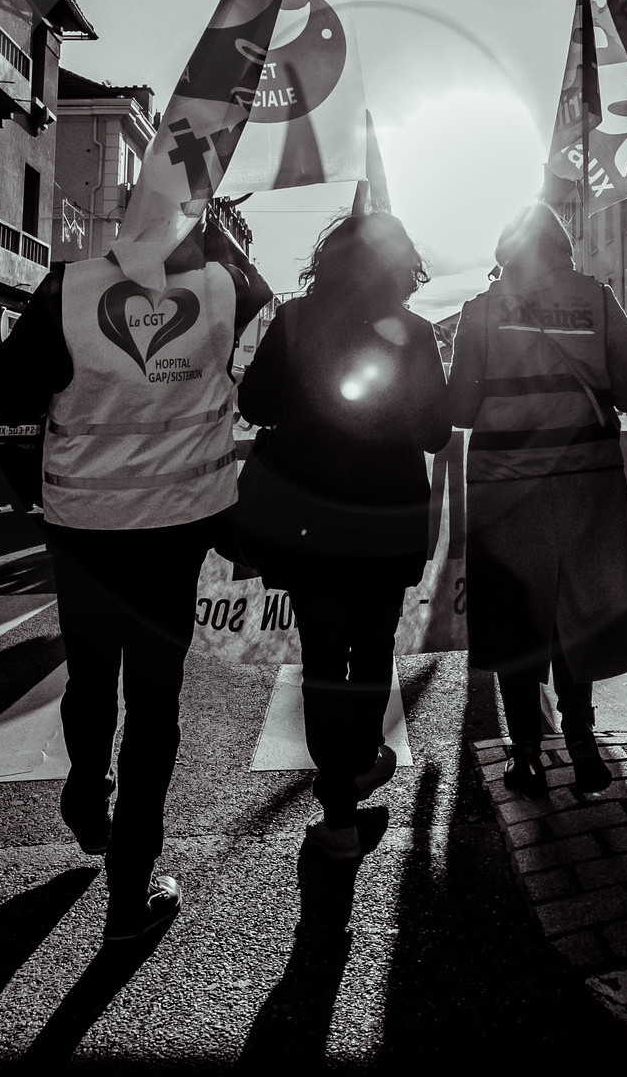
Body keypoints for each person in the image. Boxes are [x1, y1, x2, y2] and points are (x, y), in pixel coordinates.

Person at [0, 218, 270, 941]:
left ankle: (88, 800)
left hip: (83, 523)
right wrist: (219, 242)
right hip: (174, 527)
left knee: (89, 676)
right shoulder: (217, 290)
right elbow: (262, 296)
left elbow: (9, 393)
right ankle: (131, 889)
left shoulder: (68, 288)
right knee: (154, 705)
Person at [236, 213, 451, 860]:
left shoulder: (296, 320)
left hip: (311, 520)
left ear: (327, 260)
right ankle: (358, 760)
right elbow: (437, 430)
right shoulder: (413, 332)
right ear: (401, 266)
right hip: (385, 519)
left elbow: (254, 404)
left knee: (325, 658)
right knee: (372, 649)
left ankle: (339, 813)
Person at [447, 203, 627, 800]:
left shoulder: (482, 313)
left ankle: (528, 756)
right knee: (578, 608)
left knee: (517, 616)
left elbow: (459, 411)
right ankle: (583, 742)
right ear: (561, 244)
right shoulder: (597, 299)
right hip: (587, 484)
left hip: (505, 489)